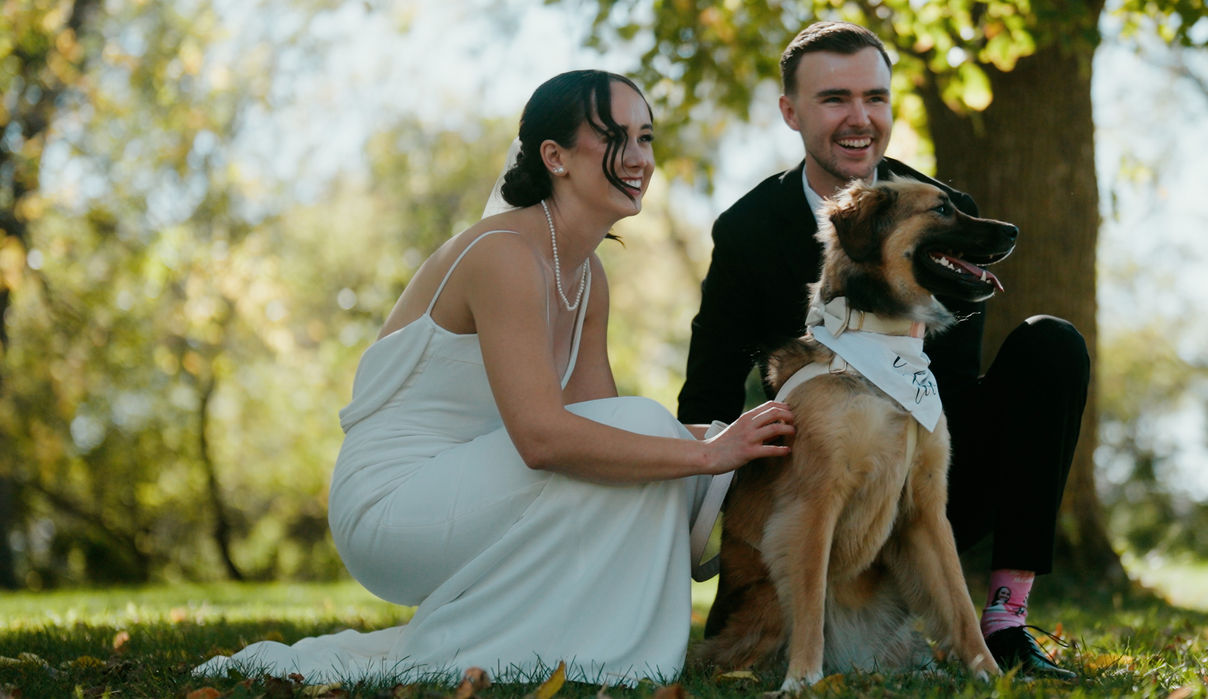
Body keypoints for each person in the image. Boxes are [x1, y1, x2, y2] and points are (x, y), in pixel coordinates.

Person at [194, 70, 794, 687]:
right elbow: (543, 439)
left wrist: (736, 444)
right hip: (392, 508)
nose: (638, 157)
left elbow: (601, 432)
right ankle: (581, 650)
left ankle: (578, 647)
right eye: (615, 137)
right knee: (651, 425)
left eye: (645, 137)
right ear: (555, 157)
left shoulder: (589, 277)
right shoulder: (503, 254)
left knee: (647, 434)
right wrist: (708, 455)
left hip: (473, 496)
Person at [678, 22, 1088, 679]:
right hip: (804, 490)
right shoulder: (748, 229)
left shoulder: (940, 212)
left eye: (875, 97)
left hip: (922, 470)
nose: (859, 118)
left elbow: (954, 383)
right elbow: (707, 395)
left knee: (1051, 344)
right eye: (834, 98)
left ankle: (1005, 620)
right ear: (791, 111)